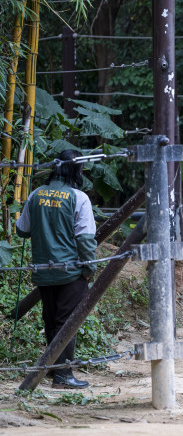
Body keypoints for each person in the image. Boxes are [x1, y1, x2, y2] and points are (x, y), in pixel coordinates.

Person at [16, 149, 97, 389]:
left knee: (51, 319)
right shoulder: (79, 197)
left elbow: (22, 230)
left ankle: (53, 371)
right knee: (67, 321)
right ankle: (63, 375)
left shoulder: (36, 195)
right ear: (77, 170)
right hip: (70, 270)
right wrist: (88, 268)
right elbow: (85, 239)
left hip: (43, 269)